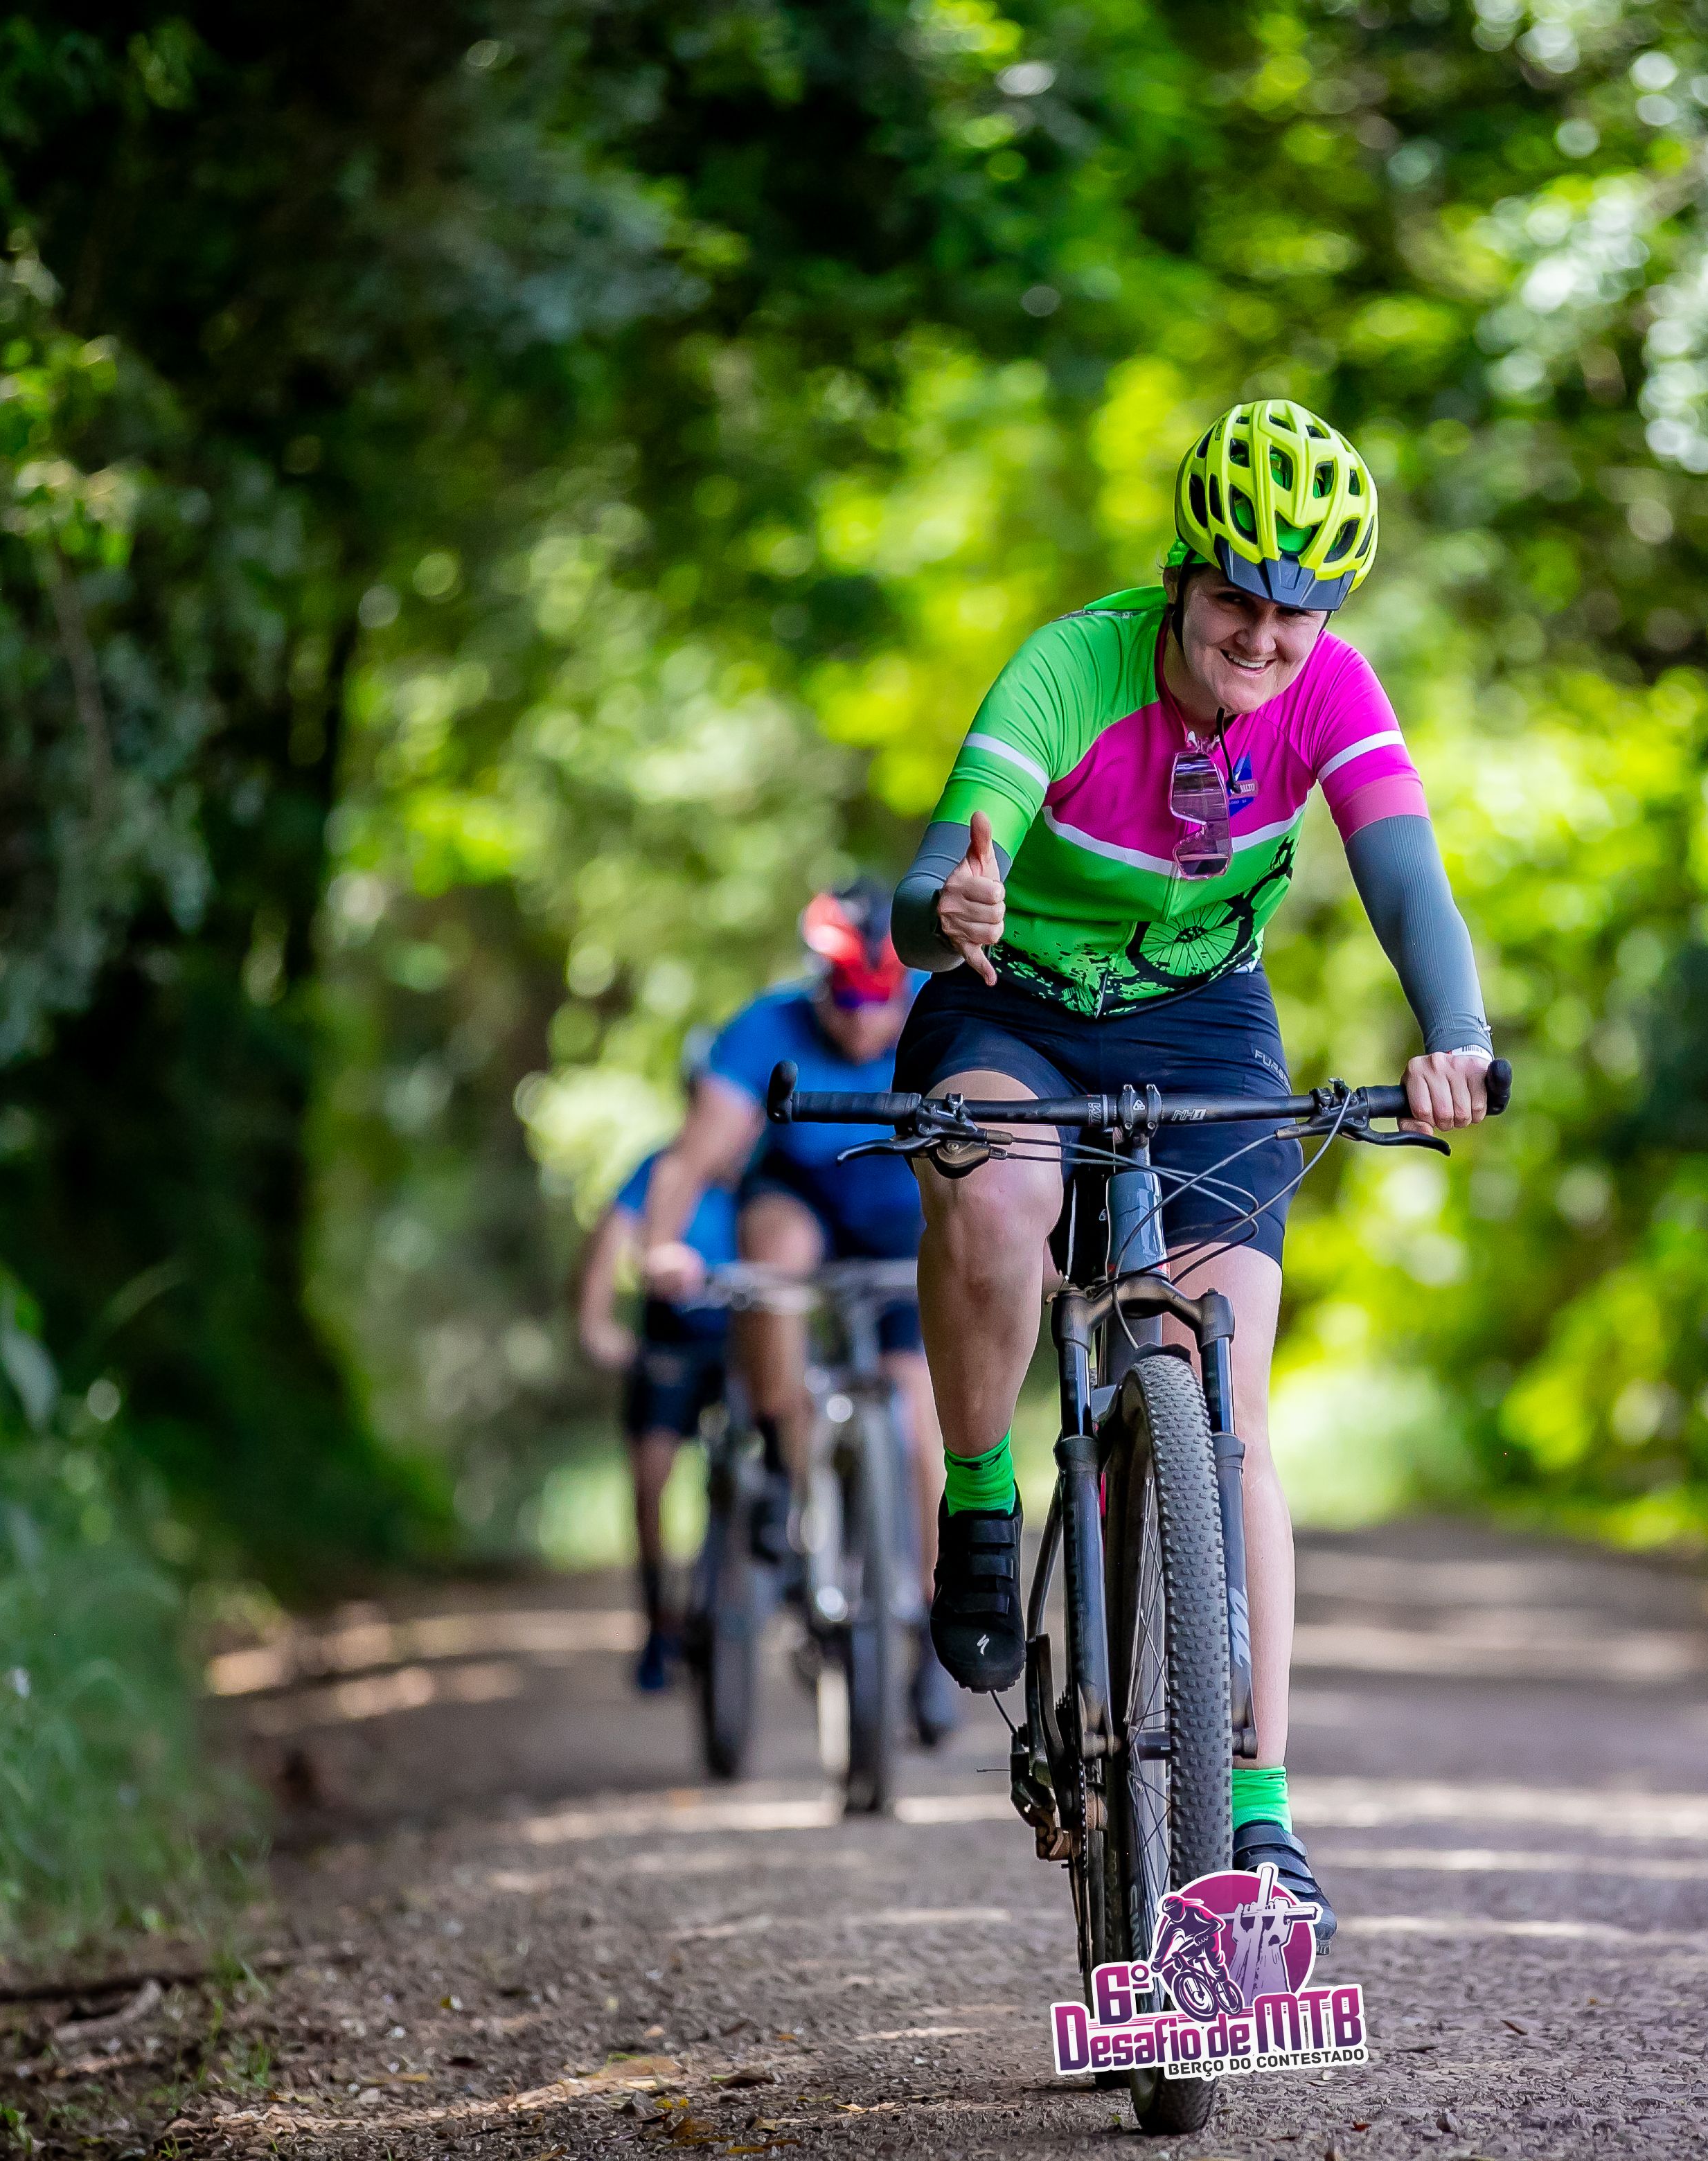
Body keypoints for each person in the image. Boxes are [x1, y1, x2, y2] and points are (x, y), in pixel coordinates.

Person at [891, 398, 1495, 1940]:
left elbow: (1402, 870)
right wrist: (947, 905)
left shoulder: (1329, 687)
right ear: (1182, 576)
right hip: (1011, 1001)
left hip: (1202, 1015)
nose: (1264, 637)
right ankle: (981, 1497)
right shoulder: (1071, 669)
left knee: (1228, 1413)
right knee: (998, 1196)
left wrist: (1457, 1034)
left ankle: (1261, 1817)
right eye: (1237, 599)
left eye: (1300, 613)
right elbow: (937, 871)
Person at [616, 879, 960, 1741]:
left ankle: (932, 1625)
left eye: (879, 1003)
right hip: (799, 1196)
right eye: (845, 1002)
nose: (862, 1025)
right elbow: (691, 1158)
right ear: (818, 985)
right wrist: (662, 1246)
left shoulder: (944, 1008)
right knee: (772, 1257)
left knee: (919, 1413)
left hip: (901, 1207)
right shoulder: (766, 1028)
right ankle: (786, 1462)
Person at [573, 1117, 741, 1695]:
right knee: (649, 1479)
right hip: (671, 1337)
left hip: (747, 1334)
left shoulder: (767, 1163)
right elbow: (610, 1239)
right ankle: (657, 1623)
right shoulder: (659, 1167)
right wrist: (597, 1325)